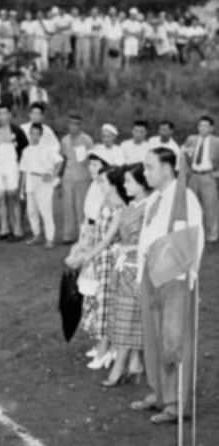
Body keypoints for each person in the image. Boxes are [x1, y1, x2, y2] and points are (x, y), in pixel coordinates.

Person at [132, 147, 204, 424]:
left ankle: (176, 403)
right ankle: (159, 393)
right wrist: (141, 277)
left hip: (174, 278)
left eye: (150, 167)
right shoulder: (153, 201)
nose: (146, 173)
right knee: (153, 339)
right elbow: (145, 241)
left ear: (166, 168)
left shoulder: (185, 198)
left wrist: (184, 275)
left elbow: (193, 241)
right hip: (151, 277)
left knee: (173, 340)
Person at [73, 166, 127, 369]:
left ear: (113, 184)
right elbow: (94, 230)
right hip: (98, 256)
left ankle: (106, 350)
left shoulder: (120, 206)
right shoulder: (104, 202)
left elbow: (108, 238)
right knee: (94, 302)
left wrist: (89, 255)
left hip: (107, 259)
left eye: (103, 181)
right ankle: (100, 345)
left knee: (105, 304)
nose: (100, 184)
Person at [102, 163, 151, 386]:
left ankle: (121, 366)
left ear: (142, 183)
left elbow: (153, 241)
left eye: (129, 181)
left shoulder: (150, 207)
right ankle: (134, 363)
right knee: (123, 316)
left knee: (130, 316)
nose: (124, 185)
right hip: (124, 268)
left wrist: (129, 249)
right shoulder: (130, 207)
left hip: (140, 269)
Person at [0, 105, 28, 241]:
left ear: (10, 115)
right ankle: (4, 229)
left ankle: (18, 230)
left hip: (13, 168)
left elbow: (25, 151)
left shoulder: (17, 131)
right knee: (0, 198)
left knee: (13, 197)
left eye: (5, 114)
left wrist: (21, 170)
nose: (2, 117)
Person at [19, 123, 63, 248]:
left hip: (44, 181)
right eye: (32, 133)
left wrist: (53, 176)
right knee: (31, 211)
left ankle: (50, 239)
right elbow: (23, 170)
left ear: (41, 135)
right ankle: (37, 235)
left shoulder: (47, 149)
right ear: (29, 134)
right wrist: (21, 188)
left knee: (45, 211)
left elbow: (59, 162)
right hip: (30, 180)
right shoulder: (26, 151)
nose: (34, 136)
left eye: (37, 134)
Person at [183, 115, 219, 242]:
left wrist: (216, 174)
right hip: (194, 176)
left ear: (211, 128)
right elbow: (184, 154)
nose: (202, 128)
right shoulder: (191, 139)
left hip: (208, 176)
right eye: (200, 125)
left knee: (210, 207)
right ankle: (191, 233)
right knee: (191, 205)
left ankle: (212, 235)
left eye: (205, 126)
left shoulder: (216, 142)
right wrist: (187, 172)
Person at [61, 113, 94, 244]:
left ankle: (83, 236)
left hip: (83, 176)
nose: (73, 127)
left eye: (76, 124)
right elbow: (63, 158)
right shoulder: (64, 140)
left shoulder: (87, 140)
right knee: (68, 206)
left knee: (81, 207)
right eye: (70, 124)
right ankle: (68, 235)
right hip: (68, 176)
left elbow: (92, 158)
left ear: (80, 126)